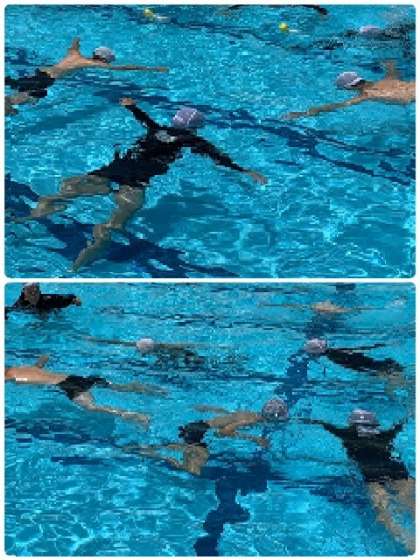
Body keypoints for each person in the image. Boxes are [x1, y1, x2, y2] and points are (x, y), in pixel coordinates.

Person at [30, 98, 267, 270]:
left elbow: (145, 119)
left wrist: (131, 106)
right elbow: (218, 158)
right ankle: (87, 254)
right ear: (194, 128)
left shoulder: (157, 129)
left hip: (117, 167)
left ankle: (41, 209)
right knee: (115, 223)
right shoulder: (193, 140)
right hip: (137, 180)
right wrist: (245, 170)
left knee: (71, 189)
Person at [303, 409, 414, 553]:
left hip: (372, 476)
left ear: (352, 425)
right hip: (397, 471)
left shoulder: (347, 434)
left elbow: (323, 424)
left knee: (384, 515)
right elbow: (399, 425)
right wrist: (409, 415)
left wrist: (305, 420)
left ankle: (406, 541)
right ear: (375, 425)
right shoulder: (385, 434)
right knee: (413, 505)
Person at [122, 398, 288, 475]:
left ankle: (158, 447)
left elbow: (227, 415)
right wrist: (254, 439)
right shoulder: (250, 421)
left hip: (197, 426)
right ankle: (154, 453)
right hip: (197, 433)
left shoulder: (250, 414)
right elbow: (222, 433)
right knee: (192, 471)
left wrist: (208, 408)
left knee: (187, 451)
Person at [5, 37, 168, 115]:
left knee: (24, 90)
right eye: (107, 61)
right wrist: (152, 68)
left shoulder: (74, 54)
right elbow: (124, 68)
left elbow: (73, 45)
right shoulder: (91, 63)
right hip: (47, 79)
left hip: (41, 71)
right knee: (23, 99)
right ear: (103, 59)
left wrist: (77, 40)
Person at [5, 355, 167, 426]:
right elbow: (41, 361)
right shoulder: (24, 367)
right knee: (119, 387)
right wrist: (44, 357)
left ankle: (135, 415)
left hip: (67, 385)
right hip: (73, 377)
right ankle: (150, 389)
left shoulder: (9, 375)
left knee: (91, 407)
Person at [283, 61, 415, 120]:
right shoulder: (388, 79)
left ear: (350, 88)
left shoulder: (367, 94)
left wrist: (306, 113)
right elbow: (391, 66)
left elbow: (340, 105)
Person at [303, 338, 403, 375]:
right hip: (369, 362)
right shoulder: (337, 351)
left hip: (369, 366)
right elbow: (361, 349)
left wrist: (373, 373)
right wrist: (382, 345)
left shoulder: (333, 358)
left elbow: (355, 367)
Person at [6, 283, 81, 316]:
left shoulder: (48, 299)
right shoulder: (21, 304)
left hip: (52, 311)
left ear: (40, 293)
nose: (34, 296)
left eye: (36, 292)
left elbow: (71, 297)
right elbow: (8, 310)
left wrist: (76, 300)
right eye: (31, 293)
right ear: (25, 296)